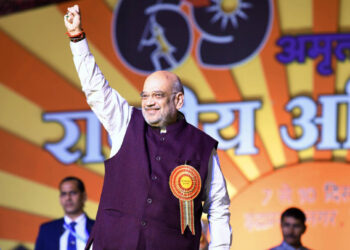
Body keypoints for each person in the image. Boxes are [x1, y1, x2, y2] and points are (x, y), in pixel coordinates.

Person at [64, 5, 232, 250]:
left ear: (178, 100)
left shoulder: (202, 147)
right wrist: (77, 39)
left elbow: (218, 207)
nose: (149, 102)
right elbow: (95, 88)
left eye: (158, 95)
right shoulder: (124, 121)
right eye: (144, 96)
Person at [35, 177, 95, 250]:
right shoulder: (47, 230)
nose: (68, 198)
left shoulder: (99, 229)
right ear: (60, 198)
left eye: (73, 193)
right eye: (63, 194)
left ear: (84, 196)